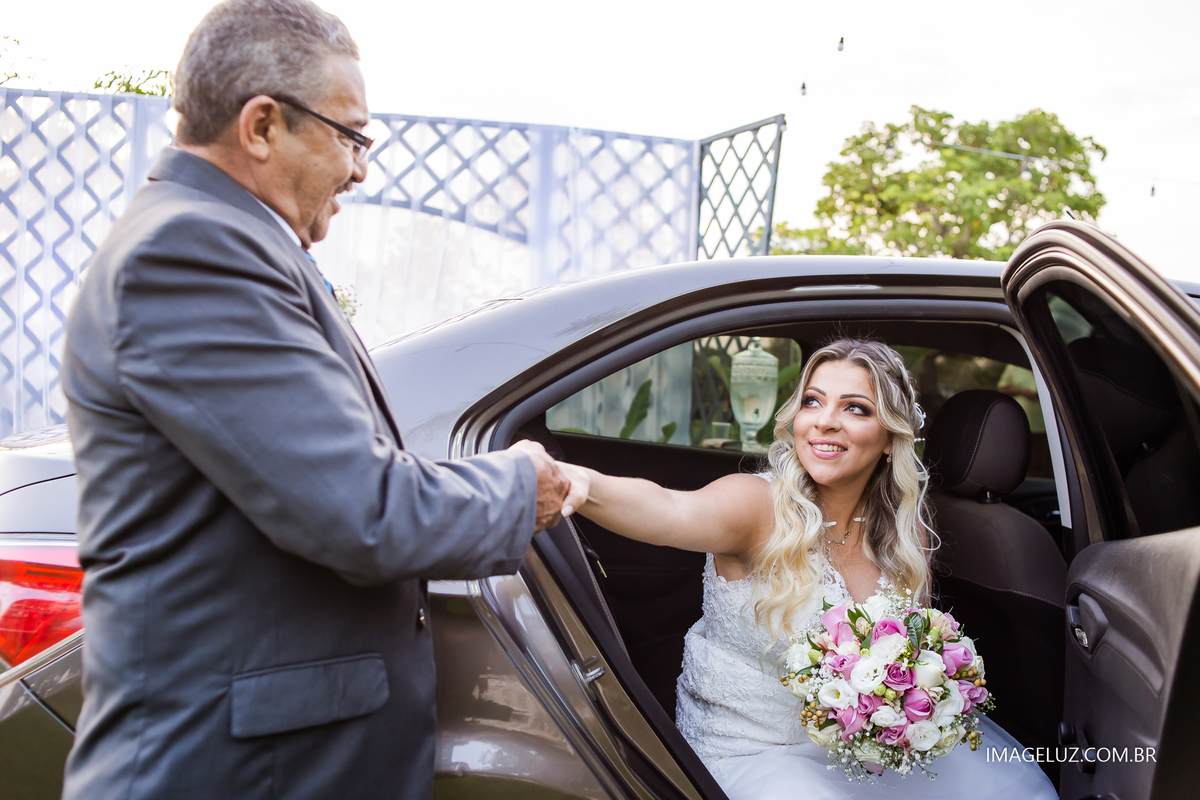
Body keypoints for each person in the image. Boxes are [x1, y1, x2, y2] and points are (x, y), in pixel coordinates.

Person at [60, 2, 581, 798]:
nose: (361, 169)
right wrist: (517, 488)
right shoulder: (191, 251)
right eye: (350, 136)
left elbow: (323, 470)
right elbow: (358, 509)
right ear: (262, 126)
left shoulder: (220, 239)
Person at [556, 339, 1056, 799]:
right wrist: (574, 482)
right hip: (751, 752)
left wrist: (903, 706)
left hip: (863, 750)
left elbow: (909, 653)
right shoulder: (757, 505)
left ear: (889, 438)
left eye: (855, 408)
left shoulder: (906, 536)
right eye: (813, 402)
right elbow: (669, 511)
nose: (824, 422)